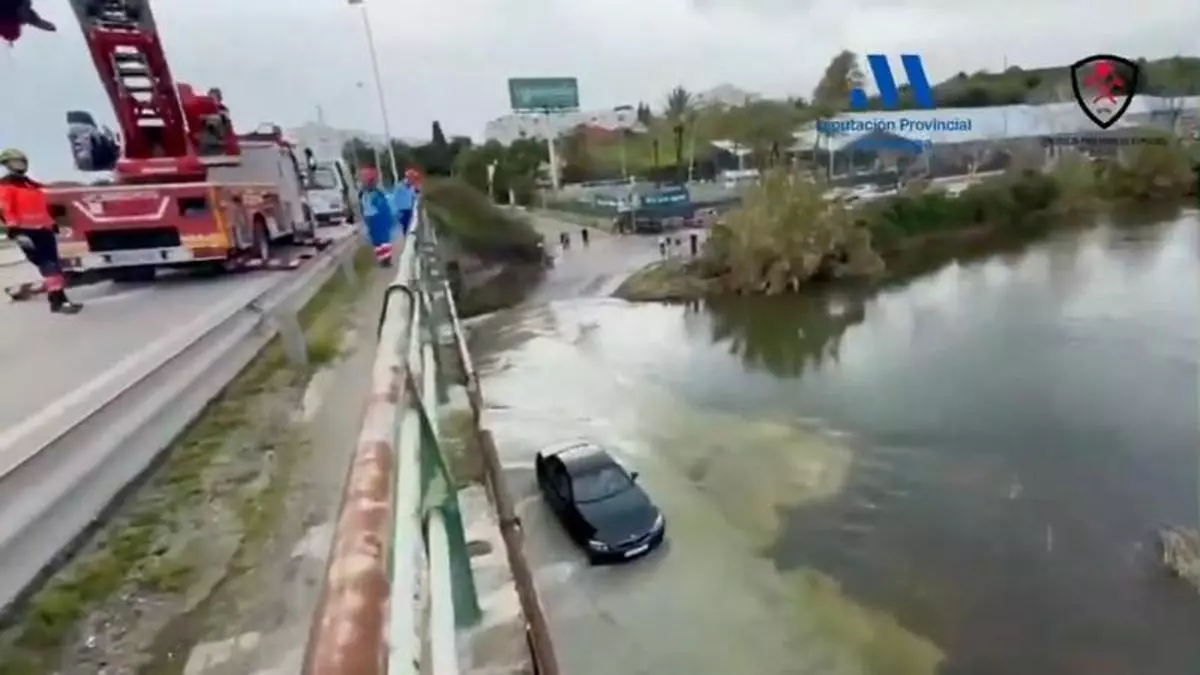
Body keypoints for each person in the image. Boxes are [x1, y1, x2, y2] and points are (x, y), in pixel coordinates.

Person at [0, 149, 82, 313]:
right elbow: (5, 209)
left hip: (44, 229)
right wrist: (15, 230)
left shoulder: (31, 185)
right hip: (25, 231)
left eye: (22, 162)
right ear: (7, 165)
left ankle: (58, 300)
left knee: (53, 265)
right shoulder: (5, 186)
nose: (20, 165)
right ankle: (58, 302)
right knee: (48, 265)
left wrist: (53, 222)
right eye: (16, 162)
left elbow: (44, 205)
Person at [358, 168, 396, 266]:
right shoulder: (374, 193)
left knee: (380, 241)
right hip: (376, 219)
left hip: (375, 219)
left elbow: (364, 208)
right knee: (381, 240)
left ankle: (385, 260)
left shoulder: (369, 194)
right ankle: (385, 259)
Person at [390, 173, 416, 238]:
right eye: (411, 178)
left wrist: (412, 208)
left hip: (408, 210)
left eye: (413, 178)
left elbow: (412, 197)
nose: (412, 180)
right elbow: (394, 197)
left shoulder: (412, 187)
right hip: (400, 210)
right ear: (407, 178)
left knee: (406, 227)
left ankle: (403, 240)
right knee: (398, 227)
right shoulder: (399, 186)